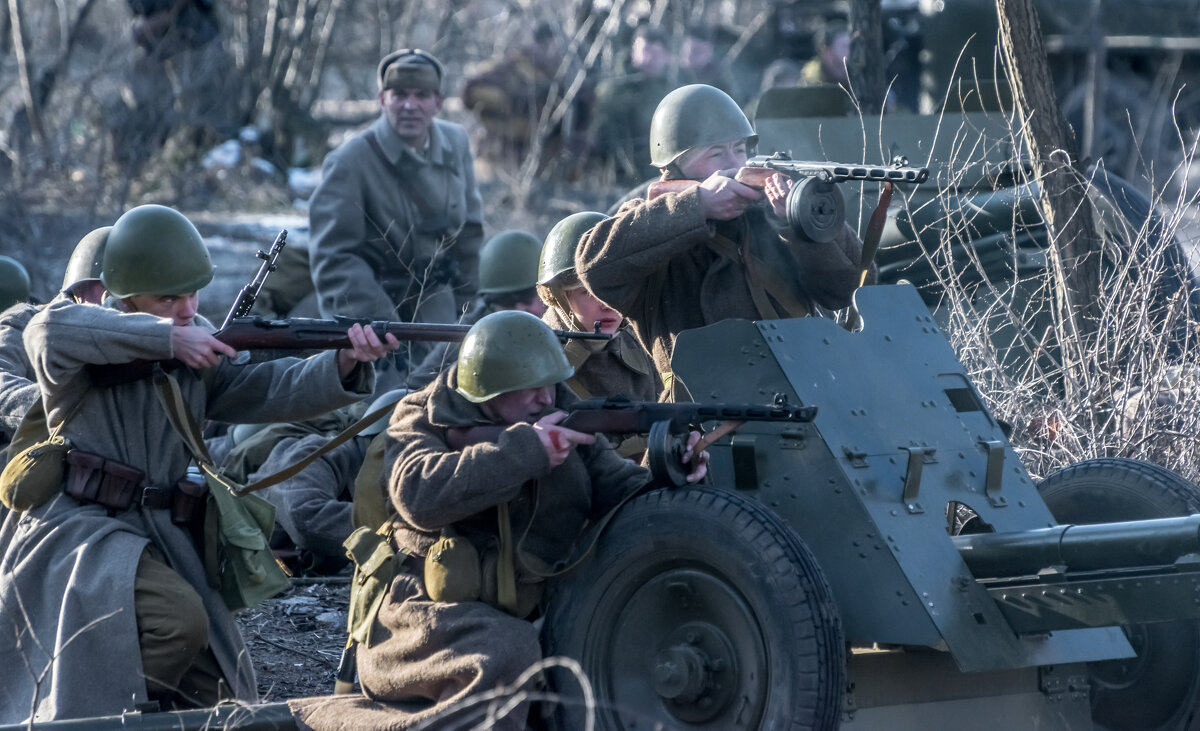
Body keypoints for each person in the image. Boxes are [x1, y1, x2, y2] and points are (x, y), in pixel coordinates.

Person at [0, 204, 398, 723]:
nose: (188, 309)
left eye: (193, 294)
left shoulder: (195, 337)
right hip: (82, 532)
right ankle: (88, 707)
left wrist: (342, 362)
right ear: (121, 298)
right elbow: (47, 331)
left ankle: (120, 702)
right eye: (170, 298)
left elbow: (262, 387)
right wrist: (166, 337)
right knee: (178, 623)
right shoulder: (75, 339)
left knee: (219, 693)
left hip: (165, 533)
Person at [289, 310, 707, 731]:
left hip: (535, 609)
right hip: (420, 620)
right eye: (528, 389)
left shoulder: (561, 410)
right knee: (505, 650)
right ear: (484, 391)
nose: (546, 399)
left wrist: (673, 468)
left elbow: (617, 488)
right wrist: (526, 452)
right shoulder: (420, 418)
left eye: (549, 384)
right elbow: (418, 495)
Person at [575, 84, 868, 396]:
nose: (734, 163)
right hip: (702, 424)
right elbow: (594, 266)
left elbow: (851, 290)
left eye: (740, 149)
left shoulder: (768, 215)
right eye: (716, 152)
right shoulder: (652, 220)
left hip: (800, 400)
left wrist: (796, 224)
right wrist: (696, 207)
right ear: (674, 166)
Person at [307, 48, 484, 389]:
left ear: (438, 102)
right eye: (399, 94)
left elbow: (470, 233)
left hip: (434, 294)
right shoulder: (349, 161)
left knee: (455, 387)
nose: (409, 105)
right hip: (373, 299)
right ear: (382, 99)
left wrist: (468, 306)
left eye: (421, 95)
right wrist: (378, 326)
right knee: (383, 400)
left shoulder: (456, 142)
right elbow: (334, 257)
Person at [252, 389, 407, 576]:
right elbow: (305, 516)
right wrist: (398, 530)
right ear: (383, 443)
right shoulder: (316, 454)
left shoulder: (370, 474)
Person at [0, 232, 107, 466]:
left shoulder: (139, 339)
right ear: (81, 288)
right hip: (31, 471)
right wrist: (61, 407)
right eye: (108, 290)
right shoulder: (26, 322)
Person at [538, 212, 659, 402]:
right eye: (589, 292)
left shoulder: (642, 349)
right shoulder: (535, 358)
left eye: (617, 289)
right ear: (559, 295)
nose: (608, 304)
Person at [406, 230, 546, 390]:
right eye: (506, 301)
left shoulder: (567, 322)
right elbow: (413, 386)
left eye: (527, 297)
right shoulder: (474, 331)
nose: (519, 309)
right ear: (490, 303)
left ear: (548, 292)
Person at [461, 21, 592, 178]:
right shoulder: (511, 66)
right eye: (550, 45)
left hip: (546, 163)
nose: (554, 52)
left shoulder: (568, 77)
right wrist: (513, 99)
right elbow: (470, 93)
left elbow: (583, 118)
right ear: (537, 44)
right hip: (499, 158)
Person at [588, 24, 675, 185]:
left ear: (667, 56)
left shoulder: (674, 92)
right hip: (615, 174)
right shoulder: (612, 90)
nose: (647, 59)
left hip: (660, 172)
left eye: (655, 53)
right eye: (644, 51)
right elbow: (599, 137)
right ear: (634, 51)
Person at [800, 21, 850, 87]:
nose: (850, 52)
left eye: (851, 47)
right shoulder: (808, 82)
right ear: (826, 52)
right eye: (844, 47)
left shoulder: (856, 75)